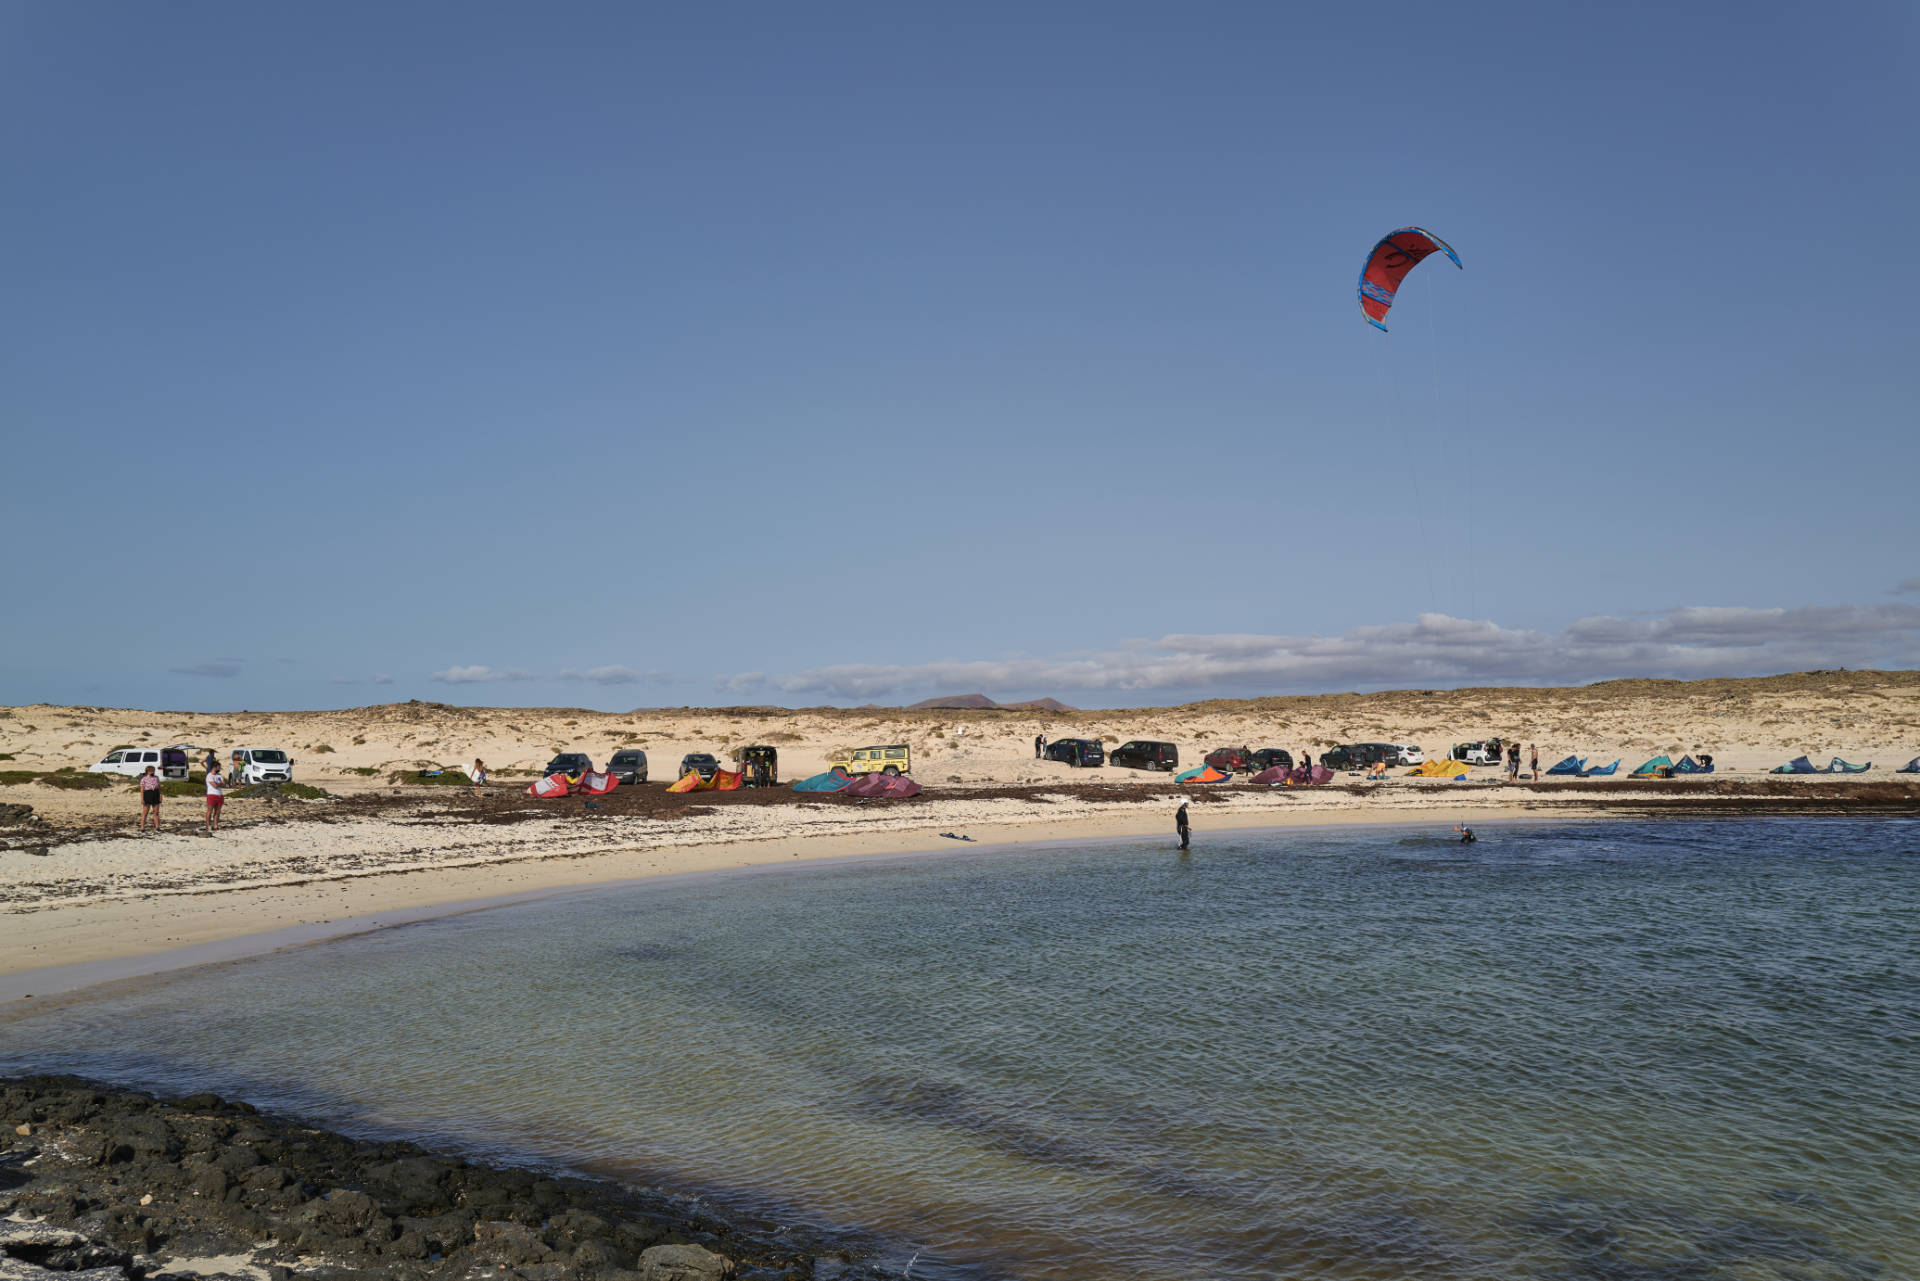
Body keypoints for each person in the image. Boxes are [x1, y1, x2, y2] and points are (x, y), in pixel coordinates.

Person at [138, 765, 162, 832]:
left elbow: (159, 787)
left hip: (156, 794)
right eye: (151, 770)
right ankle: (142, 827)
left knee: (156, 812)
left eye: (153, 770)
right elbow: (142, 790)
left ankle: (157, 827)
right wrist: (142, 799)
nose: (152, 772)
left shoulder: (156, 778)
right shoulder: (144, 779)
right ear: (147, 771)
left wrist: (160, 795)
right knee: (145, 812)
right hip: (148, 794)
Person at [204, 763, 224, 833]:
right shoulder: (209, 776)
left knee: (217, 811)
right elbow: (214, 786)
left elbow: (224, 784)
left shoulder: (219, 775)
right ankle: (208, 825)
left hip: (219, 795)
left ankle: (215, 825)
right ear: (214, 767)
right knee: (210, 810)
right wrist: (220, 784)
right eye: (219, 767)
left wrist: (219, 784)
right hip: (211, 795)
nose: (219, 768)